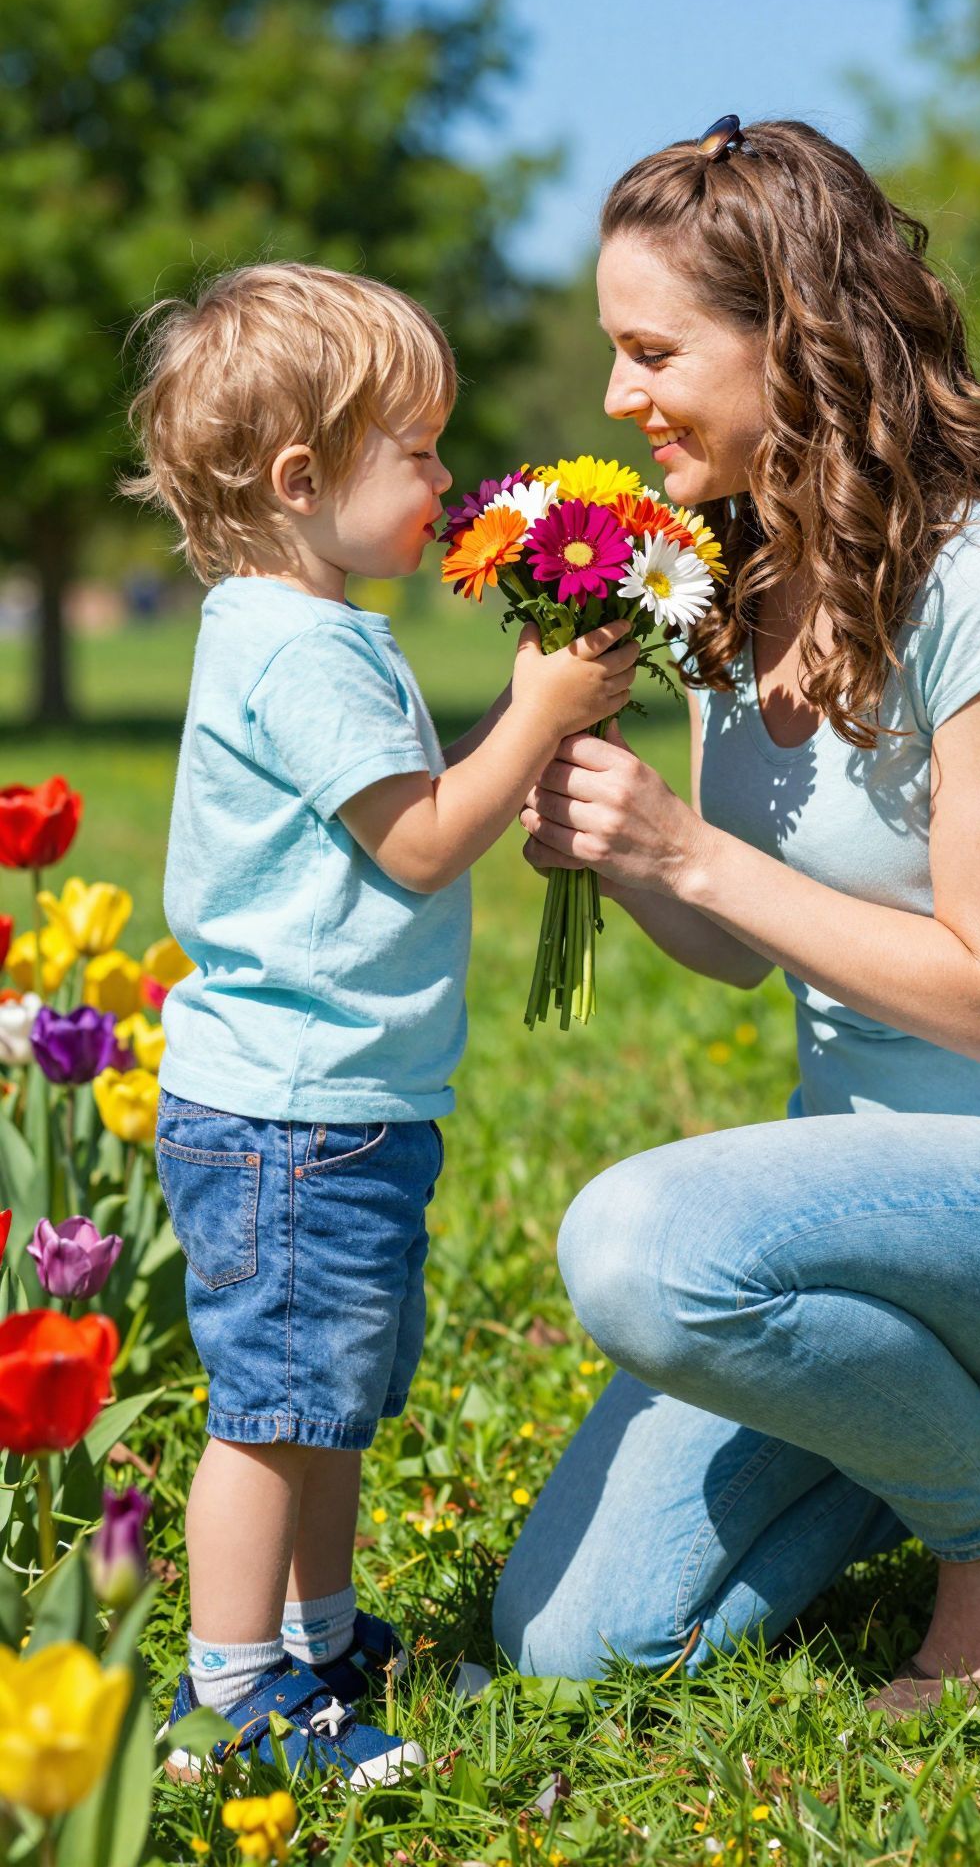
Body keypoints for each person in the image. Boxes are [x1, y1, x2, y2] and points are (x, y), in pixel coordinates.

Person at [493, 117, 980, 1715]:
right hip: (866, 1210)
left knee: (638, 1243)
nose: (614, 399)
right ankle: (973, 1431)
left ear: (792, 345)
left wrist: (696, 854)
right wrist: (640, 861)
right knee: (568, 1650)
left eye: (652, 351)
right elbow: (743, 945)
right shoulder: (735, 589)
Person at [124, 262, 638, 1782]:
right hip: (291, 1113)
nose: (444, 478)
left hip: (336, 1104)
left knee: (326, 1407)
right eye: (416, 450)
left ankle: (322, 1645)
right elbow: (417, 840)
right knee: (275, 1414)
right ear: (301, 478)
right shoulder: (295, 648)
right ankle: (231, 1697)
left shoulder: (310, 632)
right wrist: (534, 713)